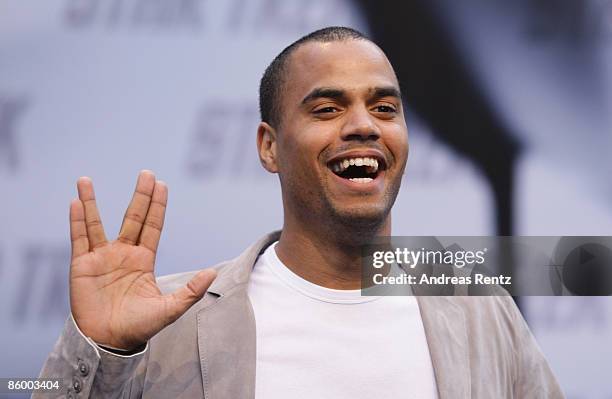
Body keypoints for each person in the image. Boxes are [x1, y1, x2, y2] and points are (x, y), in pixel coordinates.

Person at [37, 27, 564, 399]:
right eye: (327, 108)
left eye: (384, 108)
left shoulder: (480, 311)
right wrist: (100, 349)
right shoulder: (168, 324)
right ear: (269, 147)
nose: (364, 125)